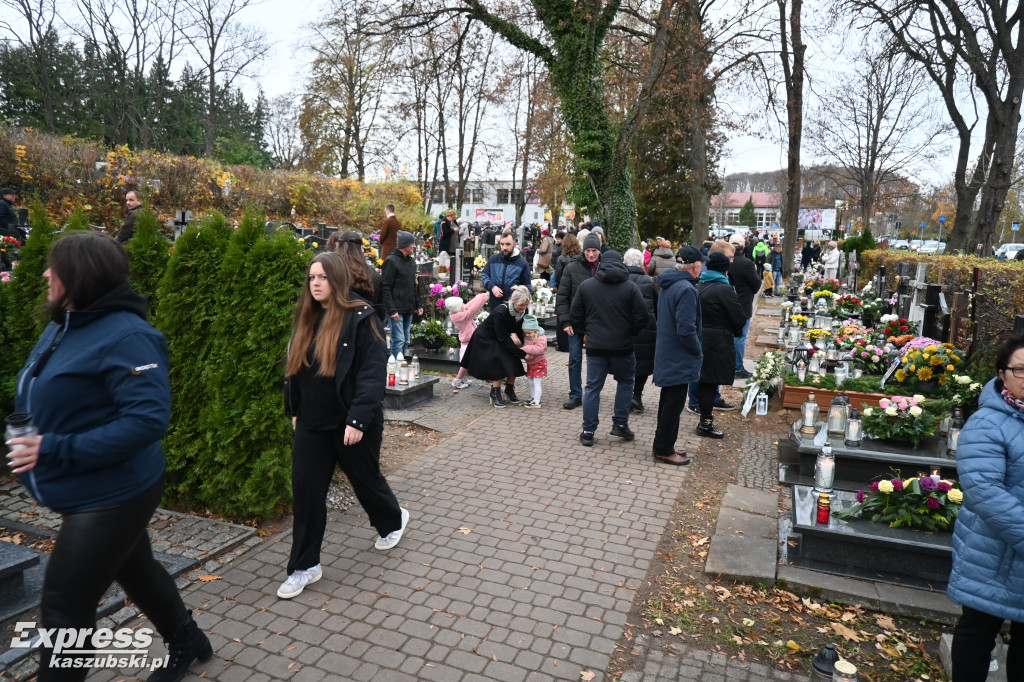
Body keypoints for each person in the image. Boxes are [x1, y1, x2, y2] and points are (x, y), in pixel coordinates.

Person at [8, 232, 213, 681]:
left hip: (114, 493)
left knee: (64, 607)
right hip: (86, 486)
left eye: (53, 267)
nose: (44, 273)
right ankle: (189, 640)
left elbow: (147, 422)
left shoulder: (130, 337)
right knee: (135, 568)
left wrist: (52, 446)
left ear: (78, 276)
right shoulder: (65, 322)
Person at [281, 252, 408, 599]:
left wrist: (358, 419)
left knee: (365, 481)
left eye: (322, 277)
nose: (316, 283)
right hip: (312, 422)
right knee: (306, 493)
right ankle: (304, 566)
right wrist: (294, 408)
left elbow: (371, 374)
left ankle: (393, 519)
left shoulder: (360, 318)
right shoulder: (306, 317)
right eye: (311, 278)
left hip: (350, 420)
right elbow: (295, 369)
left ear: (337, 280)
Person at [948, 333, 1024, 681]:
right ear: (1002, 374)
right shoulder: (988, 422)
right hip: (992, 552)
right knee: (978, 631)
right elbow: (982, 489)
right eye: (1021, 370)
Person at [570, 250, 649, 446]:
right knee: (625, 383)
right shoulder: (630, 287)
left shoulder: (587, 286)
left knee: (593, 388)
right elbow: (643, 316)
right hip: (623, 346)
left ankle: (588, 430)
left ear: (601, 262)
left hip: (596, 346)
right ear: (621, 263)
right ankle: (620, 424)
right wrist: (630, 333)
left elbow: (575, 314)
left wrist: (586, 331)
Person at [650, 246, 704, 466]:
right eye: (701, 263)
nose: (702, 266)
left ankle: (664, 445)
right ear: (694, 265)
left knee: (668, 403)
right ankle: (663, 449)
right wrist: (698, 350)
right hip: (679, 356)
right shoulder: (686, 289)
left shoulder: (669, 284)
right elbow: (686, 329)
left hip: (668, 352)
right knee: (673, 405)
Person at [695, 251, 746, 438]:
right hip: (717, 342)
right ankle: (705, 424)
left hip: (699, 339)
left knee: (703, 382)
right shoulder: (724, 289)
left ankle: (704, 421)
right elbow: (738, 318)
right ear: (725, 269)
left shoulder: (698, 285)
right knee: (709, 383)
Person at [460, 285, 530, 407]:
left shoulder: (522, 311)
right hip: (485, 337)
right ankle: (495, 392)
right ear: (513, 302)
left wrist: (524, 346)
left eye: (526, 305)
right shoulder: (500, 312)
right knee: (500, 360)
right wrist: (522, 354)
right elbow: (502, 338)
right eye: (521, 306)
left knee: (513, 358)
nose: (523, 308)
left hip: (500, 336)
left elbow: (519, 329)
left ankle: (509, 389)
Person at [556, 233, 602, 409]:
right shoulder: (571, 267)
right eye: (589, 250)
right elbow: (562, 297)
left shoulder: (605, 267)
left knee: (596, 360)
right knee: (575, 358)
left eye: (595, 251)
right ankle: (575, 394)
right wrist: (565, 322)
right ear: (584, 250)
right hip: (575, 322)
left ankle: (592, 392)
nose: (591, 254)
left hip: (597, 323)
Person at [623, 248, 657, 413]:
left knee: (626, 363)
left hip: (624, 329)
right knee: (642, 365)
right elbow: (656, 306)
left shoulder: (620, 280)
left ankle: (627, 395)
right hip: (646, 329)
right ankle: (636, 395)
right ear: (643, 263)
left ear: (624, 262)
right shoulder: (649, 282)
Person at [381, 231, 423, 361]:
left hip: (408, 307)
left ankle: (402, 364)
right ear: (404, 244)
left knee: (405, 341)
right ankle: (395, 367)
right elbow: (385, 287)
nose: (415, 246)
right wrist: (392, 310)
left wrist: (418, 304)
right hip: (397, 309)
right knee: (399, 340)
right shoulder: (391, 261)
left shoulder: (410, 261)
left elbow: (413, 285)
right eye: (412, 243)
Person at [329, 230, 384, 320]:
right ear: (361, 248)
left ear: (339, 246)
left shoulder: (332, 270)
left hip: (336, 322)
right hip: (366, 323)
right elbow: (380, 307)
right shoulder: (372, 274)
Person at [728, 234, 761, 380]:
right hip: (742, 303)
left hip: (726, 302)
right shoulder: (746, 263)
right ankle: (737, 367)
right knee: (740, 337)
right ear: (743, 247)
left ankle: (730, 365)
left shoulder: (725, 261)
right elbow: (756, 284)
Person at [446, 292, 489, 389]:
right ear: (458, 307)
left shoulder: (457, 312)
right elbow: (473, 309)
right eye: (462, 304)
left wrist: (477, 297)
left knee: (467, 361)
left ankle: (460, 379)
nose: (464, 305)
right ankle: (457, 381)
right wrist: (483, 297)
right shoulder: (463, 316)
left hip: (469, 339)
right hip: (469, 340)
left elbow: (468, 306)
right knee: (465, 362)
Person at [481, 231, 532, 310]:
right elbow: (485, 275)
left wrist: (517, 296)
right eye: (502, 244)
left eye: (508, 244)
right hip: (495, 307)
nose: (504, 247)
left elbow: (527, 288)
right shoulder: (493, 259)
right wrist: (492, 287)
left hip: (514, 309)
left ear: (514, 244)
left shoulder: (523, 264)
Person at [520, 314, 548, 408]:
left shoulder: (541, 338)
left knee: (537, 382)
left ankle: (537, 402)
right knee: (530, 381)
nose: (527, 335)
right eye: (525, 333)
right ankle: (533, 397)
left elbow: (539, 349)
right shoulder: (528, 337)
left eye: (529, 333)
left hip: (539, 363)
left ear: (536, 331)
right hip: (531, 363)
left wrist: (526, 349)